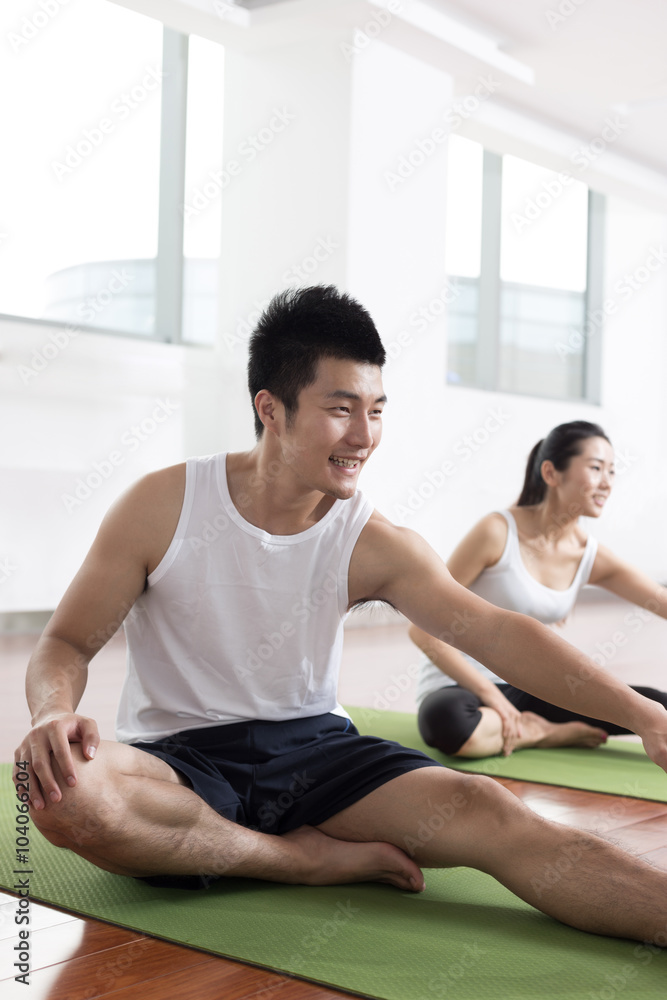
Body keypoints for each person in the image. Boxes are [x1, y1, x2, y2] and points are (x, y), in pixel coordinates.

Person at [15, 287, 667, 946]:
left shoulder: (371, 541)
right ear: (270, 408)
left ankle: (231, 849)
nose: (363, 436)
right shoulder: (162, 505)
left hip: (318, 756)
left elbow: (497, 633)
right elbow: (66, 640)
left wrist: (642, 714)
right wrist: (51, 713)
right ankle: (298, 862)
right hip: (178, 762)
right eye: (340, 409)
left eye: (376, 410)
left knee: (492, 810)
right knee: (62, 792)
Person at [411, 421, 667, 759]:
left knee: (658, 706)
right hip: (462, 687)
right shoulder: (497, 532)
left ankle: (523, 727)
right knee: (450, 723)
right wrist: (494, 697)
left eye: (612, 471)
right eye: (595, 468)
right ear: (551, 473)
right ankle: (541, 732)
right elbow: (422, 630)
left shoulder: (589, 555)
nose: (607, 482)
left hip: (535, 687)